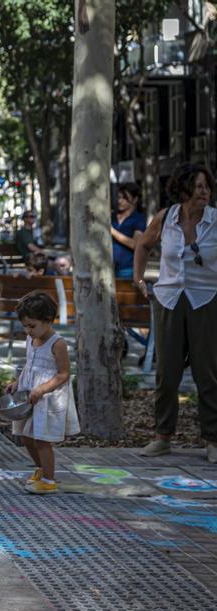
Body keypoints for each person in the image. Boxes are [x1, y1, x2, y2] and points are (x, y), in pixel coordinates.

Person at [134, 162, 217, 463]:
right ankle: (162, 436)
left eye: (206, 186)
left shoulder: (215, 221)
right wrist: (139, 279)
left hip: (205, 299)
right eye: (196, 186)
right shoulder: (166, 218)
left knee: (207, 373)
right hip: (169, 299)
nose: (203, 191)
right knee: (166, 373)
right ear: (182, 189)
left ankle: (212, 439)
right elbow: (143, 245)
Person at [9, 292, 79, 494]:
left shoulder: (58, 343)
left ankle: (49, 479)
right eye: (25, 326)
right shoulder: (31, 340)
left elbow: (64, 373)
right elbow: (29, 365)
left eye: (32, 326)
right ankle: (41, 469)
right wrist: (17, 383)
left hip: (48, 397)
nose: (28, 330)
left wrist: (42, 389)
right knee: (26, 436)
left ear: (48, 320)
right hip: (30, 394)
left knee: (41, 439)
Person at [110, 183, 147, 279]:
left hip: (126, 269)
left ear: (135, 199)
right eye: (118, 197)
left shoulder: (138, 219)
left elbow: (135, 244)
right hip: (107, 267)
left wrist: (112, 231)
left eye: (125, 198)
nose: (120, 201)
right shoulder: (111, 216)